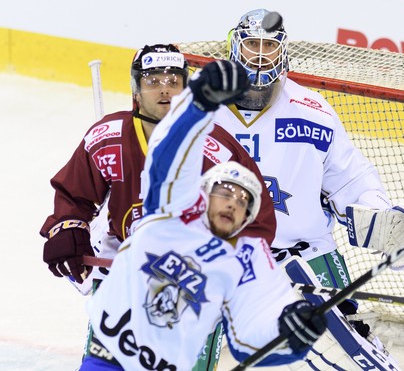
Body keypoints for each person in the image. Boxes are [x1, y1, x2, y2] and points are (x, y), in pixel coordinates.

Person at [208, 8, 404, 370]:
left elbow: (350, 179)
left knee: (346, 357)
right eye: (252, 43)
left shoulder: (313, 112)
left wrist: (383, 219)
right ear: (234, 46)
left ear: (282, 53)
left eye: (269, 46)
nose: (259, 54)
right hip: (218, 257)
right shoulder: (197, 110)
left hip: (306, 259)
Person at [80, 59, 327, 370]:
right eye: (225, 193)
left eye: (243, 202)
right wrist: (198, 103)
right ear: (205, 195)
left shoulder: (248, 258)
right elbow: (169, 154)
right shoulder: (170, 212)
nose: (233, 204)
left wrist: (289, 336)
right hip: (106, 362)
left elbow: (249, 338)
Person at [40, 44, 276, 369]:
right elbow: (74, 194)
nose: (164, 88)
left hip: (189, 288)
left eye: (173, 80)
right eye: (153, 80)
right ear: (136, 90)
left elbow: (257, 222)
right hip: (122, 279)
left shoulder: (218, 151)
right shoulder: (109, 136)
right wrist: (68, 227)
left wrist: (224, 271)